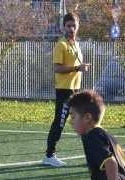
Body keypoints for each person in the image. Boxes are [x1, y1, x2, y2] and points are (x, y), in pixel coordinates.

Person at [42, 12, 90, 168]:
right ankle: (49, 155)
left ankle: (91, 155)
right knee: (59, 122)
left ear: (78, 27)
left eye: (74, 26)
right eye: (68, 26)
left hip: (76, 90)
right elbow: (56, 68)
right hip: (64, 91)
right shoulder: (61, 45)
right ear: (63, 27)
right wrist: (77, 67)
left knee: (84, 121)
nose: (71, 28)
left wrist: (81, 68)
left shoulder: (75, 45)